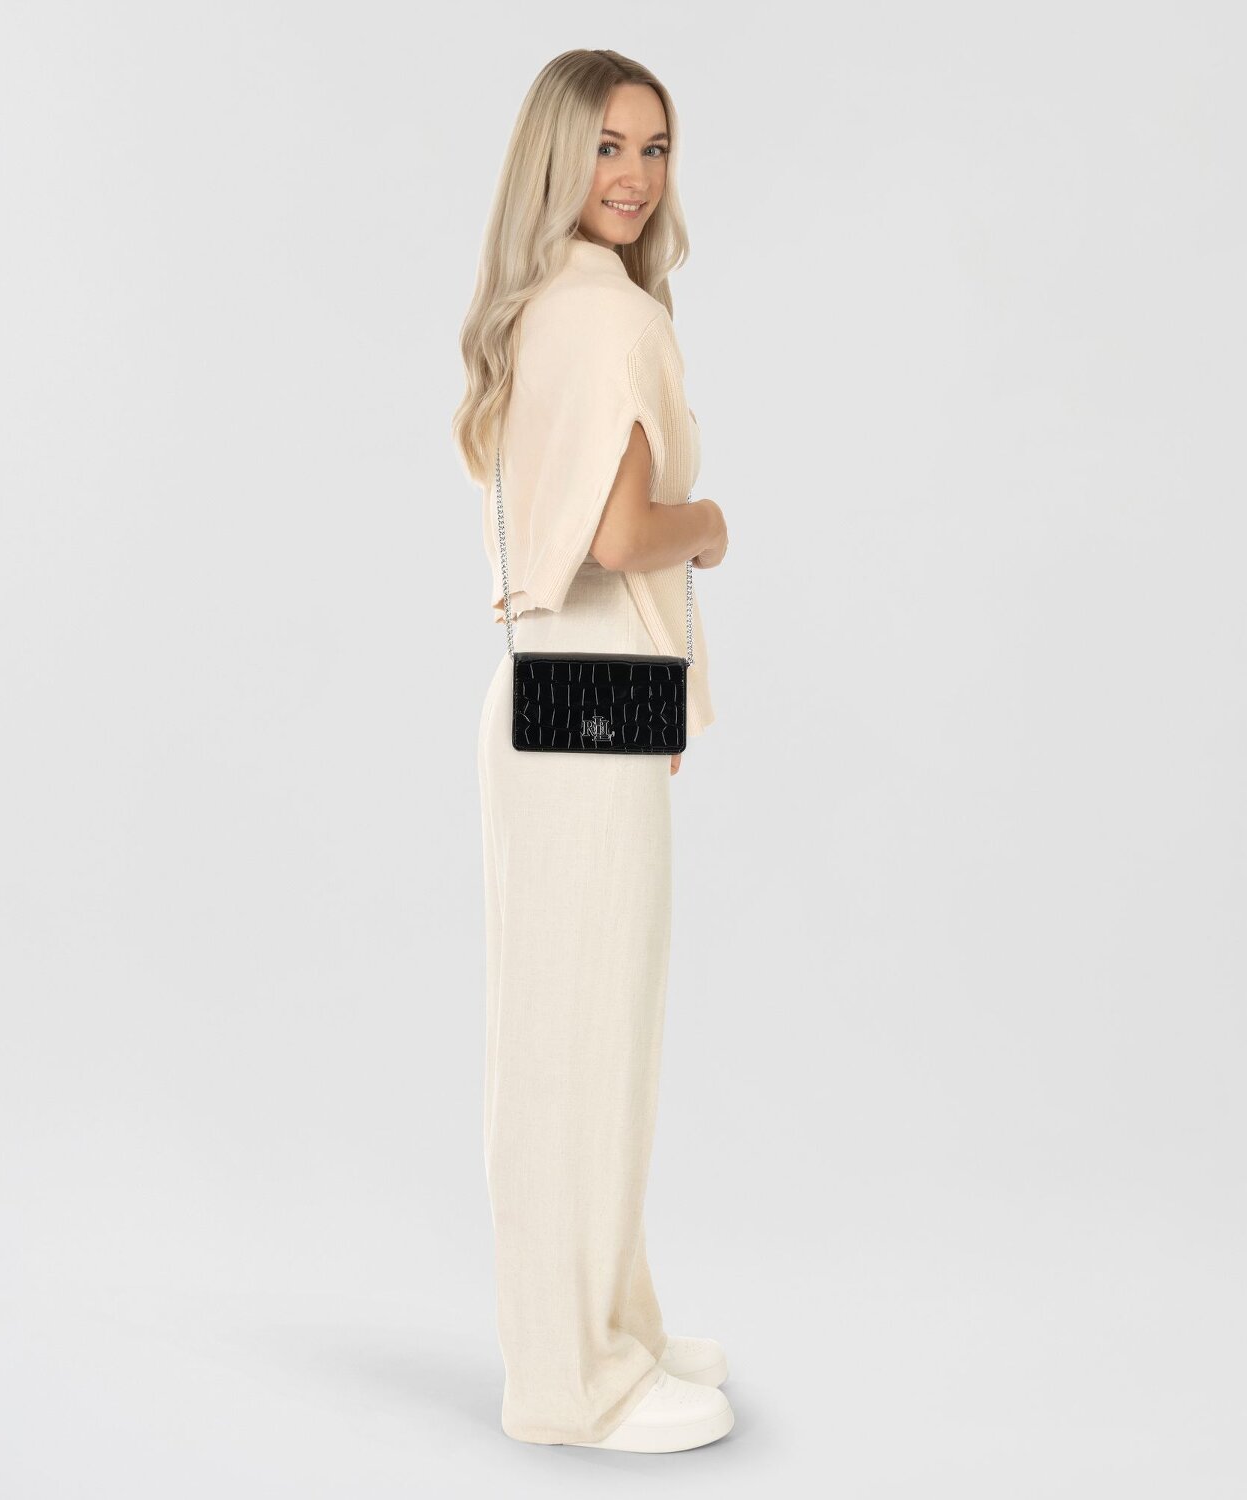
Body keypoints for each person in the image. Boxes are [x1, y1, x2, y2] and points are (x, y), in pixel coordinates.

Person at [453, 49, 733, 1453]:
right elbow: (625, 537)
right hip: (594, 697)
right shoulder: (609, 315)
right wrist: (715, 526)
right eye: (610, 147)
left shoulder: (547, 307)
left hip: (547, 690)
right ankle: (575, 1384)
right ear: (559, 158)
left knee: (570, 1037)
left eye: (655, 149)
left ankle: (610, 1324)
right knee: (587, 1045)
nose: (634, 176)